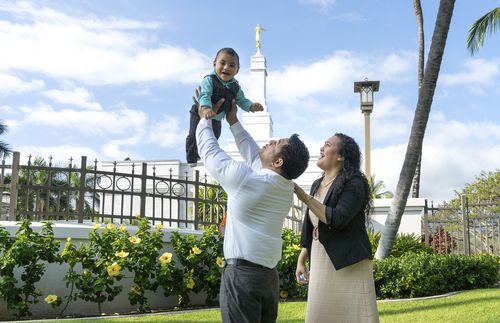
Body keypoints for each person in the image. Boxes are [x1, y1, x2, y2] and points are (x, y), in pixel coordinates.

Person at [196, 98, 309, 323]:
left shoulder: (246, 179)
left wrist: (205, 119)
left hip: (242, 277)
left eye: (275, 144)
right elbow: (254, 154)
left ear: (278, 162)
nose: (269, 142)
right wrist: (234, 122)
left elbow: (208, 151)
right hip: (268, 278)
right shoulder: (285, 187)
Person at [294, 133, 379, 323]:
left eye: (327, 144)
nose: (321, 149)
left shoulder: (354, 183)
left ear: (340, 156)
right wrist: (302, 259)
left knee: (354, 316)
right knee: (319, 315)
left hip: (349, 261)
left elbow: (338, 218)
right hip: (320, 257)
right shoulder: (317, 184)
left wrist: (305, 198)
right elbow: (310, 223)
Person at [186, 47, 264, 165]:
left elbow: (242, 100)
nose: (226, 67)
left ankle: (201, 155)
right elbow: (204, 95)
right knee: (193, 135)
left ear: (237, 70)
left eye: (232, 65)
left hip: (217, 119)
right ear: (214, 63)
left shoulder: (235, 87)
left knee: (214, 137)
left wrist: (251, 106)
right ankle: (191, 159)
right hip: (200, 113)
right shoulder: (209, 80)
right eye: (222, 63)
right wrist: (206, 108)